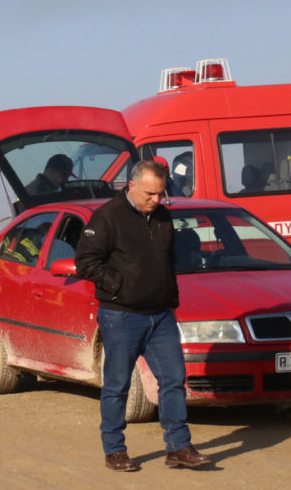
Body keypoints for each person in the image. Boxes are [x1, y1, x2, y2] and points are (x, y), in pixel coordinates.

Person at [74, 160, 213, 472]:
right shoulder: (107, 216)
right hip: (121, 315)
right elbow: (85, 261)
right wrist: (119, 285)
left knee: (174, 380)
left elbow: (167, 261)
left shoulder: (163, 216)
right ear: (132, 186)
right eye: (150, 193)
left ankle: (179, 447)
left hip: (161, 315)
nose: (156, 200)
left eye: (161, 194)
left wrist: (171, 300)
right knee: (117, 385)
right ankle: (114, 449)